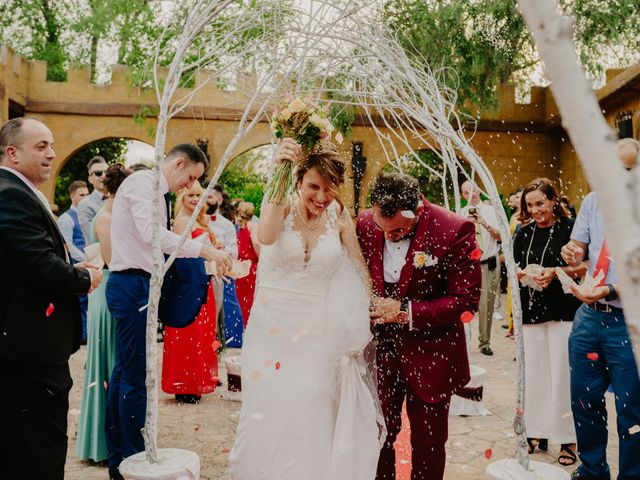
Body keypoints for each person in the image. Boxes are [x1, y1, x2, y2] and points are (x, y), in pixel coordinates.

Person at [230, 138, 384, 479]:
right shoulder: (279, 206)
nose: (321, 197)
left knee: (312, 405)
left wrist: (361, 321)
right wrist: (278, 169)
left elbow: (360, 270)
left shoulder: (338, 214)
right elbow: (267, 237)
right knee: (269, 406)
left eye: (329, 189)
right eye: (313, 186)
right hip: (271, 328)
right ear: (298, 181)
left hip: (318, 330)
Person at [105, 144, 232, 480]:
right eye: (190, 177)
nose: (189, 186)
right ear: (178, 163)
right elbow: (154, 236)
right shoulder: (145, 184)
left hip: (136, 283)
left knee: (125, 374)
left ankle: (120, 457)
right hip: (132, 284)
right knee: (135, 378)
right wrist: (205, 250)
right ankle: (132, 457)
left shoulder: (150, 188)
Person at [357, 172, 481, 480]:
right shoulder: (361, 223)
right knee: (376, 436)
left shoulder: (453, 229)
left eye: (398, 230)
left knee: (428, 445)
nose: (389, 236)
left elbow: (465, 301)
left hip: (432, 356)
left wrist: (403, 311)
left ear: (418, 210)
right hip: (379, 355)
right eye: (382, 229)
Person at [0, 117, 102, 479]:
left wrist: (72, 263)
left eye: (52, 145)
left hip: (30, 348)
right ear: (12, 153)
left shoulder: (20, 191)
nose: (52, 154)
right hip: (29, 351)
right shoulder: (10, 193)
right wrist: (85, 278)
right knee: (38, 446)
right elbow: (38, 267)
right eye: (41, 146)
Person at [561, 138, 640, 480]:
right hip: (589, 320)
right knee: (584, 400)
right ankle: (593, 470)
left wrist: (609, 288)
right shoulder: (594, 202)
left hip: (630, 323)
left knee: (631, 409)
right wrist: (572, 252)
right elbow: (579, 245)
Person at [513, 178, 583, 466]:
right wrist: (521, 275)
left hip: (563, 310)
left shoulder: (571, 230)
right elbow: (514, 264)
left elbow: (584, 267)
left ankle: (567, 439)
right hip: (531, 311)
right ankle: (536, 431)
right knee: (535, 375)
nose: (536, 210)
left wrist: (556, 271)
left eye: (540, 203)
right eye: (530, 205)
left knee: (562, 375)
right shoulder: (523, 232)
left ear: (554, 200)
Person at [76, 163, 133, 464]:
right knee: (108, 364)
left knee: (115, 361)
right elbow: (112, 260)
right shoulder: (108, 217)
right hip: (109, 288)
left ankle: (113, 438)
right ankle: (103, 444)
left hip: (113, 287)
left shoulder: (117, 215)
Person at [162, 180, 221, 404]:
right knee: (187, 334)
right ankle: (184, 383)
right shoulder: (181, 222)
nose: (196, 200)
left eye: (199, 196)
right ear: (183, 199)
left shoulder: (200, 221)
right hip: (189, 284)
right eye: (191, 196)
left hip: (203, 279)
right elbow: (182, 254)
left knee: (202, 333)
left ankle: (197, 380)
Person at [461, 180, 501, 355]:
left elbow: (500, 236)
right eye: (466, 192)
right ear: (463, 195)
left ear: (479, 190)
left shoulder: (491, 211)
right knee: (463, 305)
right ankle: (463, 341)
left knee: (486, 305)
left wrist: (483, 222)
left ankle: (484, 342)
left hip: (488, 263)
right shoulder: (460, 213)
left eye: (473, 190)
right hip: (467, 266)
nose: (472, 194)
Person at [206, 185, 244, 347]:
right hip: (197, 273)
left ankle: (230, 341)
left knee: (223, 306)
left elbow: (234, 251)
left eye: (209, 197)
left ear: (219, 201)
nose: (204, 200)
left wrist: (219, 252)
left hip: (220, 273)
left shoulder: (227, 225)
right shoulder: (191, 220)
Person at [58, 180, 91, 342]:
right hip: (78, 264)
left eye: (87, 194)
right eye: (82, 194)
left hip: (90, 263)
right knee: (81, 302)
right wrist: (86, 257)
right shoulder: (66, 219)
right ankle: (82, 335)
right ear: (72, 196)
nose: (86, 197)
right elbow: (68, 245)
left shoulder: (87, 214)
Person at [235, 201, 260, 326]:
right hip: (250, 267)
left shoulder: (240, 227)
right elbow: (256, 243)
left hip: (240, 267)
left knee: (241, 300)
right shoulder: (253, 225)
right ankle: (250, 327)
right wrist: (261, 258)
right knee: (250, 300)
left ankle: (242, 328)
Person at [78, 155, 109, 243]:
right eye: (98, 173)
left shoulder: (119, 197)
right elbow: (93, 238)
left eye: (107, 172)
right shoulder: (85, 204)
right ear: (90, 179)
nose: (104, 175)